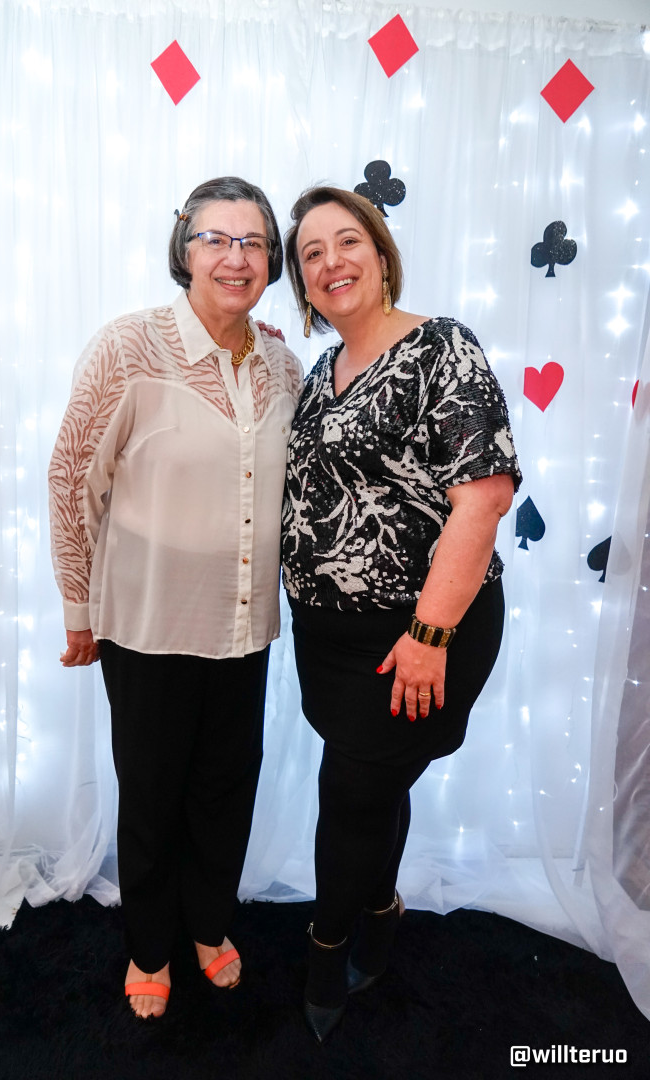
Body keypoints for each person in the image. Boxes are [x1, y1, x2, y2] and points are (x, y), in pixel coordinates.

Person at [48, 176, 304, 1019]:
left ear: (272, 260)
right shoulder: (128, 347)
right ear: (184, 251)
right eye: (216, 239)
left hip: (244, 624)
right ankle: (150, 947)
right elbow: (71, 478)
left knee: (227, 789)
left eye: (254, 242)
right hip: (149, 623)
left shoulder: (284, 364)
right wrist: (78, 609)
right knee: (153, 795)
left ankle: (208, 924)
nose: (236, 257)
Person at [281, 186, 522, 1042]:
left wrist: (429, 634)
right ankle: (381, 906)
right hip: (328, 639)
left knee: (349, 790)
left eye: (347, 241)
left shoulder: (440, 347)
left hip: (419, 632)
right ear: (302, 282)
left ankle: (326, 949)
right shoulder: (321, 371)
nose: (331, 262)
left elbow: (482, 499)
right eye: (311, 253)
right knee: (372, 782)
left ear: (381, 256)